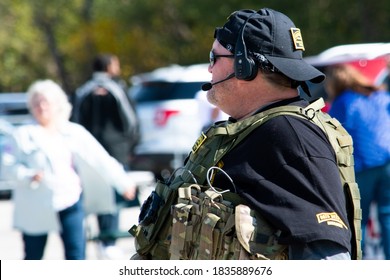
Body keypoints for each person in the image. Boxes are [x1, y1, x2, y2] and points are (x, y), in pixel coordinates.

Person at [131, 8, 360, 260]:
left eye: (213, 57)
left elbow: (328, 259)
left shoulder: (291, 137)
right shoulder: (255, 129)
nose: (209, 70)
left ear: (245, 66)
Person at [6, 79, 136, 260]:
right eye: (36, 103)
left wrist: (123, 183)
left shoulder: (72, 131)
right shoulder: (21, 135)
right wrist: (28, 175)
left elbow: (100, 158)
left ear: (56, 105)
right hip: (35, 203)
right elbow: (8, 166)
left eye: (45, 102)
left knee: (76, 255)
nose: (41, 107)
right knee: (33, 256)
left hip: (69, 198)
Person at [73, 53, 139, 259]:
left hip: (86, 152)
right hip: (115, 151)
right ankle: (109, 242)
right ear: (109, 66)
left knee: (92, 193)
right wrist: (130, 146)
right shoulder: (117, 89)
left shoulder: (83, 90)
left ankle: (97, 239)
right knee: (115, 195)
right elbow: (131, 122)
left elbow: (74, 120)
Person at [325, 63, 390, 259]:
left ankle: (356, 263)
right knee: (387, 216)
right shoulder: (381, 95)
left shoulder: (343, 101)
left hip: (363, 164)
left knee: (356, 218)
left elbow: (332, 133)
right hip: (387, 161)